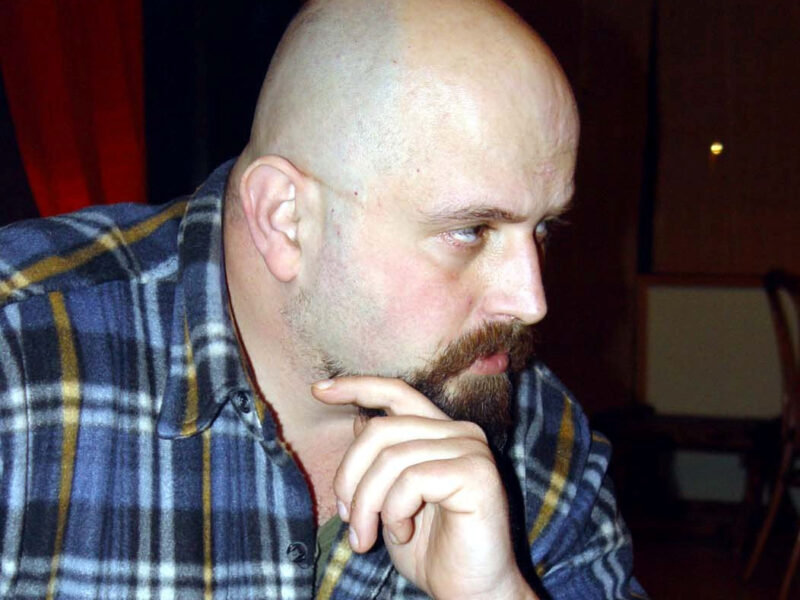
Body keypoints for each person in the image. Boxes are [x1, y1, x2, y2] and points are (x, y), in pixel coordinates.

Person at [0, 0, 647, 598]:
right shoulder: (20, 357)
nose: (530, 301)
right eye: (471, 231)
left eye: (542, 229)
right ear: (286, 219)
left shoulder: (537, 435)